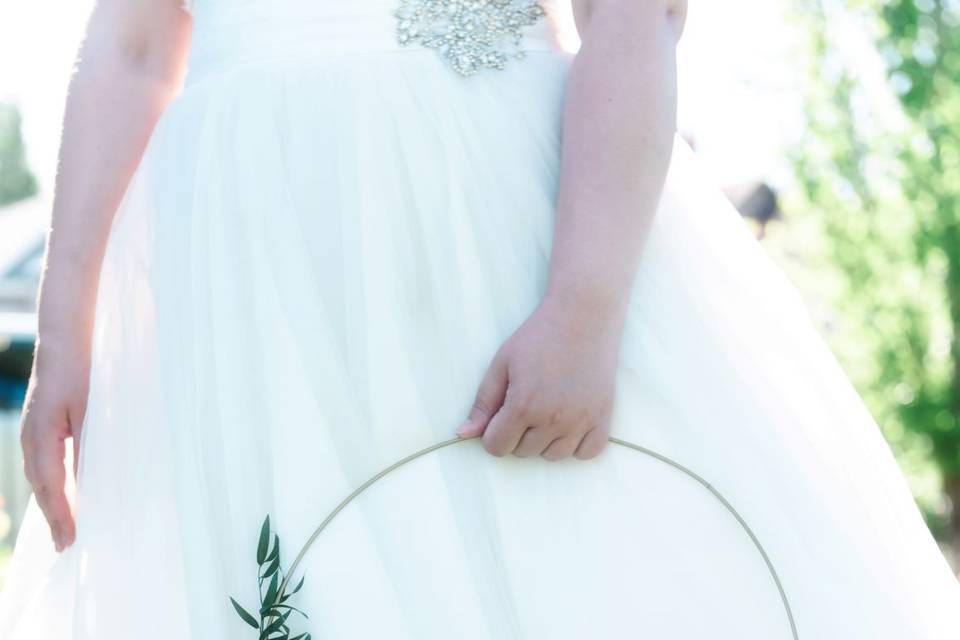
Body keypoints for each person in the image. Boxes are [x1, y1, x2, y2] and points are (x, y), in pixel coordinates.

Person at [1, 0, 959, 637]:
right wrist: (66, 333)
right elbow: (127, 52)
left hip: (485, 237)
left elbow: (631, 18)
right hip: (236, 286)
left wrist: (584, 308)